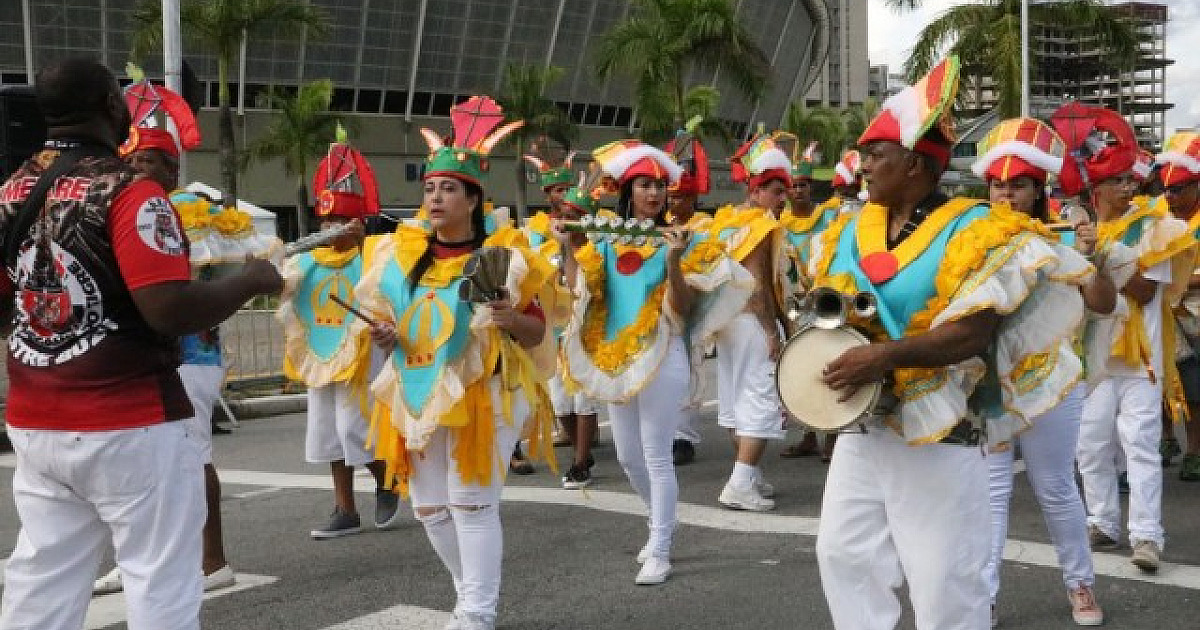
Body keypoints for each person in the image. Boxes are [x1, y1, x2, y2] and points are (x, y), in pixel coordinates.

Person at [0, 56, 281, 630]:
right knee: (161, 582)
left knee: (41, 580)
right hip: (132, 424)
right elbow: (168, 309)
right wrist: (251, 280)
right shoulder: (132, 192)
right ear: (110, 104)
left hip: (37, 420)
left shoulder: (10, 189)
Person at [809, 57, 1089, 630]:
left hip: (942, 432)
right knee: (843, 556)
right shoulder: (847, 226)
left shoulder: (976, 227)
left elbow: (973, 333)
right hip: (864, 428)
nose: (862, 164)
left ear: (913, 163)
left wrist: (883, 356)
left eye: (875, 154)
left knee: (944, 585)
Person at [359, 96, 555, 630]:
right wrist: (385, 335)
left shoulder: (502, 256)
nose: (436, 196)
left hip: (486, 392)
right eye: (429, 187)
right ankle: (468, 594)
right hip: (418, 387)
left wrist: (509, 317)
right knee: (429, 509)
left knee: (470, 502)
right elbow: (397, 331)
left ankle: (477, 613)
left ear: (472, 198)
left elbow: (537, 329)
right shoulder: (400, 259)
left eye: (448, 188)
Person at [92, 71, 283, 594]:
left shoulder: (198, 215)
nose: (134, 168)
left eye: (146, 161)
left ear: (171, 167)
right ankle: (134, 559)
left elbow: (224, 276)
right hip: (140, 356)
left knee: (193, 455)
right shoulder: (118, 209)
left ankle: (213, 560)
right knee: (133, 465)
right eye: (129, 160)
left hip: (193, 356)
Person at [556, 139, 752, 585]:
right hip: (617, 359)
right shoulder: (605, 240)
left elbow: (681, 309)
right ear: (628, 191)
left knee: (657, 457)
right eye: (645, 185)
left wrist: (674, 261)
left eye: (660, 186)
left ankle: (661, 546)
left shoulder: (680, 241)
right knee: (627, 458)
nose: (654, 194)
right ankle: (659, 522)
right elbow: (577, 287)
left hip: (664, 355)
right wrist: (569, 246)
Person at [971, 117, 1117, 627]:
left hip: (1053, 383)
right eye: (999, 184)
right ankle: (984, 597)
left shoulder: (1062, 239)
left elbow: (1101, 304)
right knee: (989, 494)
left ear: (1039, 190)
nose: (1007, 193)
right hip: (992, 382)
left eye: (1019, 185)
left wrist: (1090, 256)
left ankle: (1080, 584)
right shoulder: (970, 237)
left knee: (1055, 485)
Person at [1054, 102, 1194, 575]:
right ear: (1096, 188)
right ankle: (1102, 522)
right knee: (1090, 447)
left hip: (1141, 361)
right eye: (1118, 181)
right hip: (1092, 359)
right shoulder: (1074, 231)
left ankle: (1147, 536)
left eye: (1131, 180)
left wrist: (1105, 252)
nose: (1130, 187)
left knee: (1140, 445)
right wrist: (1082, 249)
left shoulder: (1155, 228)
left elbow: (1140, 289)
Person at [277, 128, 405, 539]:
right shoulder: (307, 259)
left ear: (359, 222)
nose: (333, 227)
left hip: (363, 356)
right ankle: (344, 508)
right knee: (328, 434)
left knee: (355, 428)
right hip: (321, 352)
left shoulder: (373, 257)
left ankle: (387, 477)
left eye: (342, 220)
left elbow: (390, 300)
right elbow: (286, 291)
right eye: (328, 218)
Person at [708, 132, 791, 511]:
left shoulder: (724, 222)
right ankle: (740, 482)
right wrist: (772, 329)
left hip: (726, 323)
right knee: (761, 397)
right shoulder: (760, 225)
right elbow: (757, 285)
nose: (782, 198)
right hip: (751, 321)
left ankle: (750, 475)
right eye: (775, 190)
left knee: (735, 398)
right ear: (756, 190)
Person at [523, 148, 600, 487]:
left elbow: (580, 286)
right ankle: (581, 446)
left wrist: (567, 246)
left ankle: (581, 460)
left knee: (583, 397)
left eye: (568, 192)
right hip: (552, 327)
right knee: (559, 401)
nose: (562, 198)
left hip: (584, 328)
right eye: (557, 192)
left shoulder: (596, 246)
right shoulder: (536, 234)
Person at [777, 145, 846, 461]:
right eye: (792, 186)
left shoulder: (828, 216)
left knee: (827, 363)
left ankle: (832, 434)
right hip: (795, 304)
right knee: (801, 367)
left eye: (803, 185)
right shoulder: (779, 224)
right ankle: (807, 433)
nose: (798, 191)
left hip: (825, 302)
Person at [664, 131, 713, 466]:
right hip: (665, 306)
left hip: (694, 302)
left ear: (692, 199)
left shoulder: (705, 226)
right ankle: (666, 432)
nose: (674, 203)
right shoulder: (661, 226)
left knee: (689, 370)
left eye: (680, 198)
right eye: (671, 198)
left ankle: (685, 436)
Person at [1157, 130, 1200, 481]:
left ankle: (1194, 451)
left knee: (1193, 386)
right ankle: (1167, 438)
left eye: (1179, 189)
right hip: (1161, 307)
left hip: (1195, 310)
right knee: (1155, 379)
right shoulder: (1158, 217)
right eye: (1167, 189)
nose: (1170, 196)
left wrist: (1180, 280)